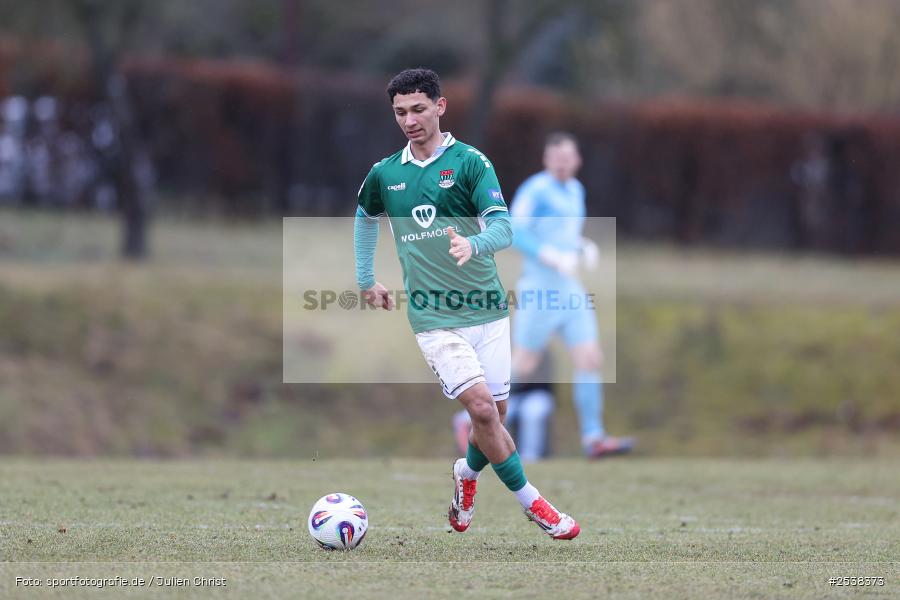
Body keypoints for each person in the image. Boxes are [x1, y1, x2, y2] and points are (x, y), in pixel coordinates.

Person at [354, 68, 579, 539]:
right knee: (480, 410)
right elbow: (364, 216)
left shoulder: (472, 163)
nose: (410, 120)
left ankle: (467, 475)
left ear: (440, 106)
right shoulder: (385, 174)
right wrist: (366, 278)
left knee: (493, 419)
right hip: (434, 318)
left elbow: (504, 226)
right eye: (400, 112)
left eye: (418, 109)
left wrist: (473, 245)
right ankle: (535, 504)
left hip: (488, 310)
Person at [510, 132, 634, 458]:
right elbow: (513, 229)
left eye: (568, 159)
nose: (562, 165)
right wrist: (547, 254)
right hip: (539, 289)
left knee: (590, 358)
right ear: (546, 160)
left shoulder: (576, 190)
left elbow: (565, 232)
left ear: (577, 160)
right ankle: (470, 418)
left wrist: (580, 245)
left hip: (569, 289)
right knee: (524, 364)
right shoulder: (535, 190)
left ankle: (593, 438)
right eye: (556, 159)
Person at [453, 352, 556, 462]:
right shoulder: (502, 347)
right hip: (511, 397)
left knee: (531, 413)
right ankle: (473, 460)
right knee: (465, 418)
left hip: (538, 394)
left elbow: (524, 370)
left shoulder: (536, 345)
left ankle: (529, 459)